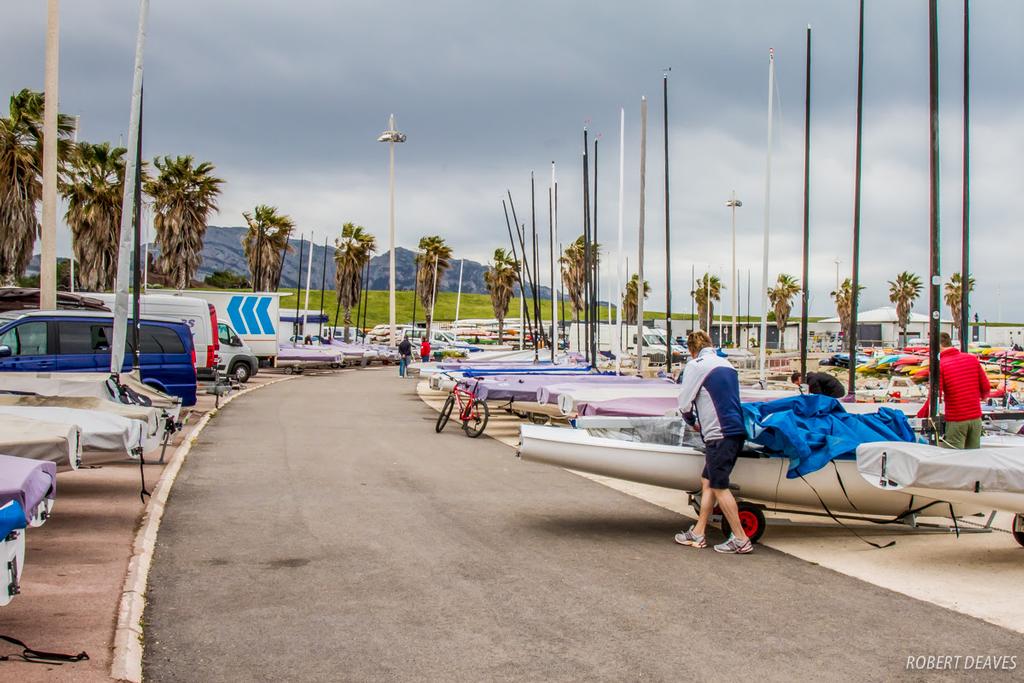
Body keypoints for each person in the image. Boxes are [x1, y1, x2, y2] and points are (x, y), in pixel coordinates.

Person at [673, 330, 753, 554]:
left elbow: (685, 403)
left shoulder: (696, 365)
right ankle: (698, 532)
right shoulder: (726, 364)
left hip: (719, 434)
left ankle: (740, 538)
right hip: (734, 430)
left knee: (719, 485)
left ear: (691, 350)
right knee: (707, 480)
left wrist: (691, 422)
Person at [916, 332, 990, 449]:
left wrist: (921, 415)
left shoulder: (940, 365)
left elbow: (935, 397)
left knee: (953, 459)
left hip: (957, 419)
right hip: (976, 419)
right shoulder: (972, 359)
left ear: (938, 346)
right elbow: (985, 387)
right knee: (974, 459)